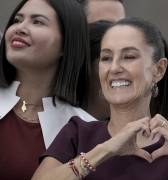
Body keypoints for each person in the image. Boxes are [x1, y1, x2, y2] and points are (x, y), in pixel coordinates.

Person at [32, 17, 168, 180]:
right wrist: (107, 149)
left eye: (129, 57)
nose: (114, 68)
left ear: (159, 69)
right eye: (106, 58)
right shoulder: (77, 133)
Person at [0, 0, 96, 179]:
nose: (19, 28)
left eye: (37, 21)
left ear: (67, 43)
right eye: (17, 20)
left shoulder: (87, 131)